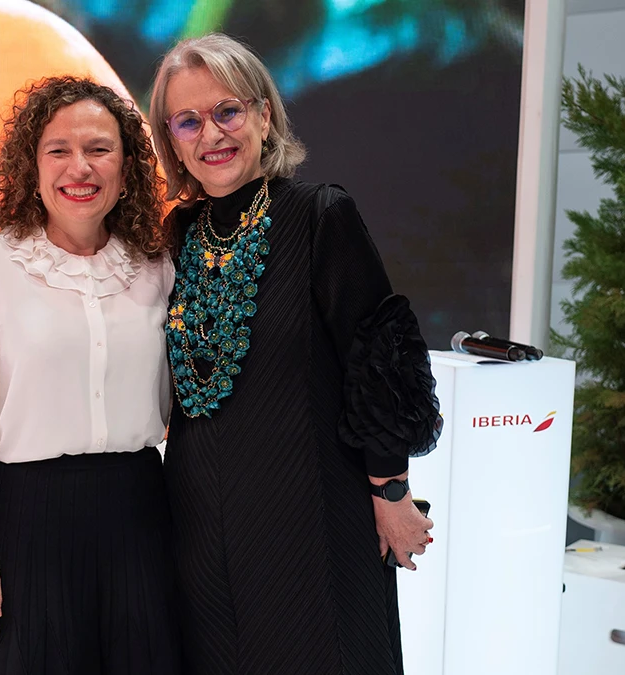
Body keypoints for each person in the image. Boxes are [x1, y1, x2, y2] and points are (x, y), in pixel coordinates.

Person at [149, 33, 444, 675]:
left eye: (228, 110)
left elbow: (378, 360)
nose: (212, 134)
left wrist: (392, 490)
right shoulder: (177, 237)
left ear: (263, 114)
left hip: (310, 518)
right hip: (200, 526)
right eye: (188, 121)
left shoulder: (320, 216)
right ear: (170, 138)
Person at [0, 75, 180, 675]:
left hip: (140, 520)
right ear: (32, 165)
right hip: (28, 525)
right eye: (59, 150)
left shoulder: (157, 270)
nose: (81, 167)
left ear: (126, 168)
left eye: (100, 149)